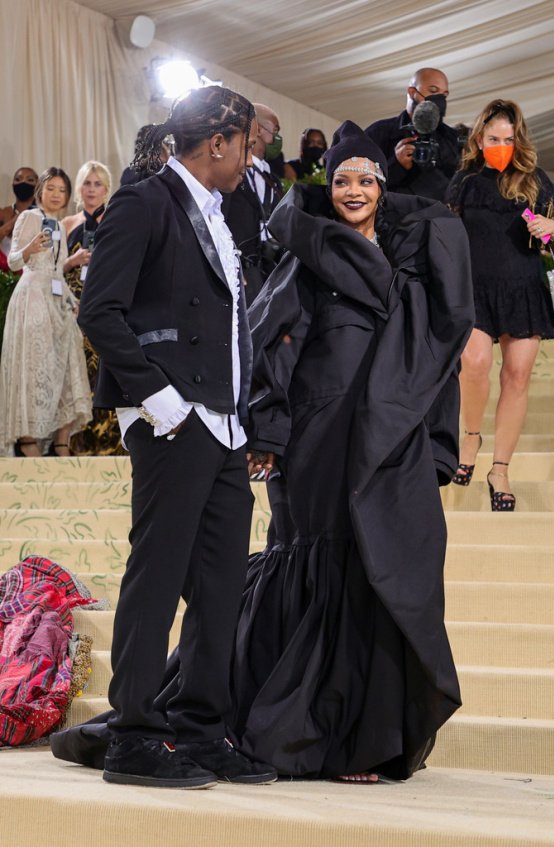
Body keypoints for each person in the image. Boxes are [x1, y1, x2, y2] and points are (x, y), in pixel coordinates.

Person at [51, 121, 473, 784]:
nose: (354, 190)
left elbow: (437, 361)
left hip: (391, 445)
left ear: (384, 188)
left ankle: (361, 737)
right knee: (321, 570)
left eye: (366, 179)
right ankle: (313, 734)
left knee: (385, 574)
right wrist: (270, 434)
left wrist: (442, 442)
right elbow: (269, 348)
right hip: (317, 442)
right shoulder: (304, 256)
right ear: (327, 188)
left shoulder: (416, 263)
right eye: (341, 180)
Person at [74, 86, 276, 790]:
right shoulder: (144, 199)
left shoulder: (224, 213)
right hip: (171, 416)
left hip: (221, 422)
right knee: (158, 572)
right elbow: (100, 311)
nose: (251, 157)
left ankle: (200, 728)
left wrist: (238, 416)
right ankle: (133, 732)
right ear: (216, 141)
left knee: (219, 585)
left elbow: (228, 330)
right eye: (247, 144)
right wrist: (162, 402)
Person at [447, 99, 554, 510]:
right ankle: (471, 437)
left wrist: (552, 227)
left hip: (524, 287)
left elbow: (552, 235)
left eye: (509, 139)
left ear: (518, 140)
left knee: (517, 378)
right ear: (479, 139)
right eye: (494, 138)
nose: (501, 145)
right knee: (473, 365)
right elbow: (446, 234)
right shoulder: (464, 182)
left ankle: (500, 469)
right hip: (474, 289)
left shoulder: (534, 180)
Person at [0, 167, 91, 457]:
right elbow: (14, 262)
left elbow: (57, 273)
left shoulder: (60, 226)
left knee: (67, 361)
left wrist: (70, 301)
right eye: (50, 188)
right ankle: (28, 440)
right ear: (40, 190)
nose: (56, 195)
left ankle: (61, 440)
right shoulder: (28, 217)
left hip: (54, 300)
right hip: (30, 299)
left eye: (61, 190)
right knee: (32, 366)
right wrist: (29, 247)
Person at [62, 161, 121, 455]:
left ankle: (111, 445)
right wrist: (72, 262)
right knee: (77, 373)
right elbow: (49, 270)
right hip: (72, 312)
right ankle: (78, 445)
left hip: (107, 307)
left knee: (108, 370)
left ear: (107, 189)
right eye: (87, 183)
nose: (92, 190)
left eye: (98, 184)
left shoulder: (117, 220)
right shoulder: (67, 224)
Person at [365, 67, 461, 201]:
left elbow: (461, 189)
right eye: (433, 91)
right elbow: (362, 184)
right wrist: (396, 165)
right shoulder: (379, 132)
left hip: (440, 217)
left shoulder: (451, 138)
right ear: (412, 92)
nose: (439, 99)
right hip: (393, 218)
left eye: (444, 95)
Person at [223, 103, 283, 305]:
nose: (276, 140)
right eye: (275, 131)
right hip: (243, 269)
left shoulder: (272, 178)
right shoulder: (232, 172)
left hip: (268, 267)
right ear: (258, 129)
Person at [0, 167, 38, 258]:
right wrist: (13, 222)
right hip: (4, 270)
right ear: (13, 184)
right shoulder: (4, 213)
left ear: (37, 185)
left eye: (29, 180)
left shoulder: (43, 214)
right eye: (18, 179)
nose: (23, 182)